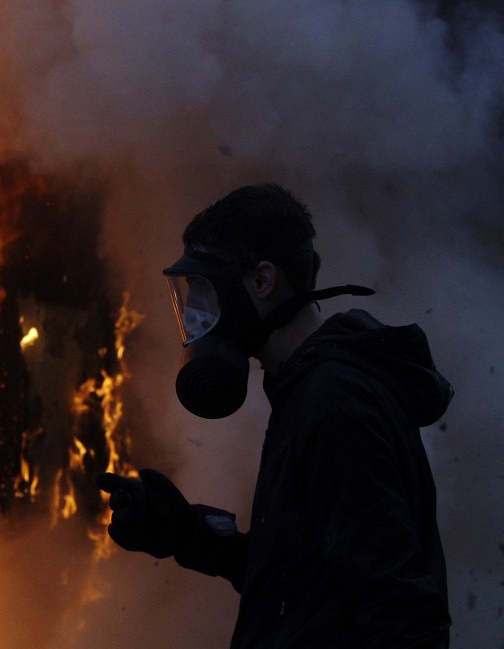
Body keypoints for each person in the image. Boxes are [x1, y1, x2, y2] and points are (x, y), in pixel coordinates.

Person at [96, 183, 452, 648]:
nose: (198, 312)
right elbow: (307, 589)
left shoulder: (333, 403)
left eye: (205, 290)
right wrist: (190, 535)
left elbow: (401, 613)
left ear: (263, 280)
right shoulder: (306, 389)